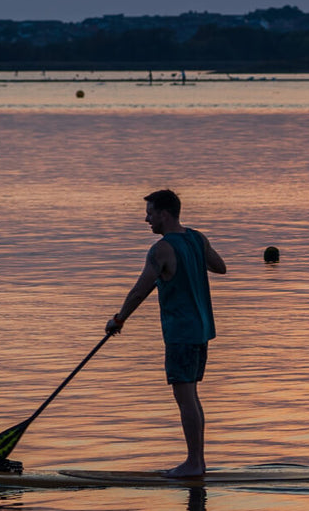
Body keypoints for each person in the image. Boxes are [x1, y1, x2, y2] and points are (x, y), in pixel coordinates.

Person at [105, 189, 227, 476]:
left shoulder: (161, 249)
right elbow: (220, 267)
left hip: (181, 334)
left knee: (185, 398)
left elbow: (139, 291)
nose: (146, 219)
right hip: (201, 332)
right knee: (192, 397)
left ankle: (194, 464)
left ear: (164, 213)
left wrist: (118, 320)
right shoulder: (197, 238)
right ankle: (197, 461)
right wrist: (195, 259)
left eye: (150, 213)